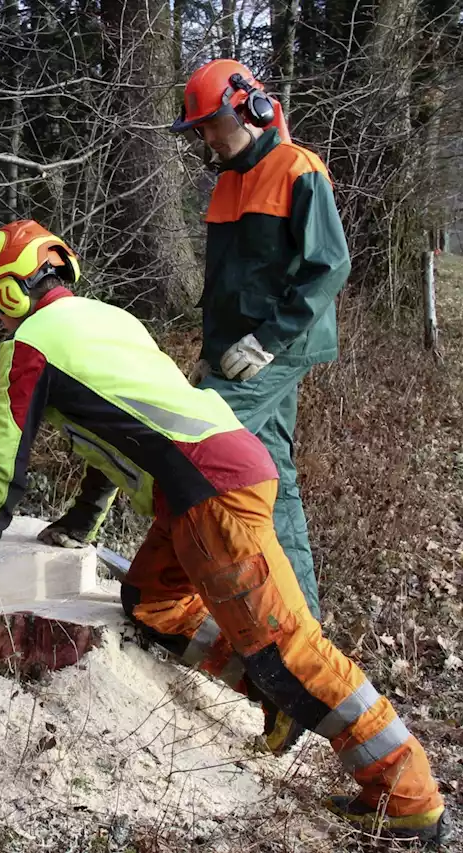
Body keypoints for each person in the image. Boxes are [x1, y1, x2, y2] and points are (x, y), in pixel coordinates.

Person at [0, 219, 451, 845]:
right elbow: (122, 428)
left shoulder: (33, 342)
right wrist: (84, 521)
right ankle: (272, 696)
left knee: (289, 645)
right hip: (204, 481)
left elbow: (4, 454)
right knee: (152, 604)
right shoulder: (106, 320)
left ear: (11, 291)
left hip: (210, 495)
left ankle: (407, 795)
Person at [169, 58, 349, 627]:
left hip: (281, 344)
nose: (203, 138)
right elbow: (225, 282)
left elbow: (329, 266)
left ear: (248, 109)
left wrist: (268, 341)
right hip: (234, 345)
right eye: (196, 128)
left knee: (197, 437)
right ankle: (305, 621)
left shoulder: (299, 169)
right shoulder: (226, 182)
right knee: (275, 472)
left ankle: (187, 594)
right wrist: (210, 347)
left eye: (207, 125)